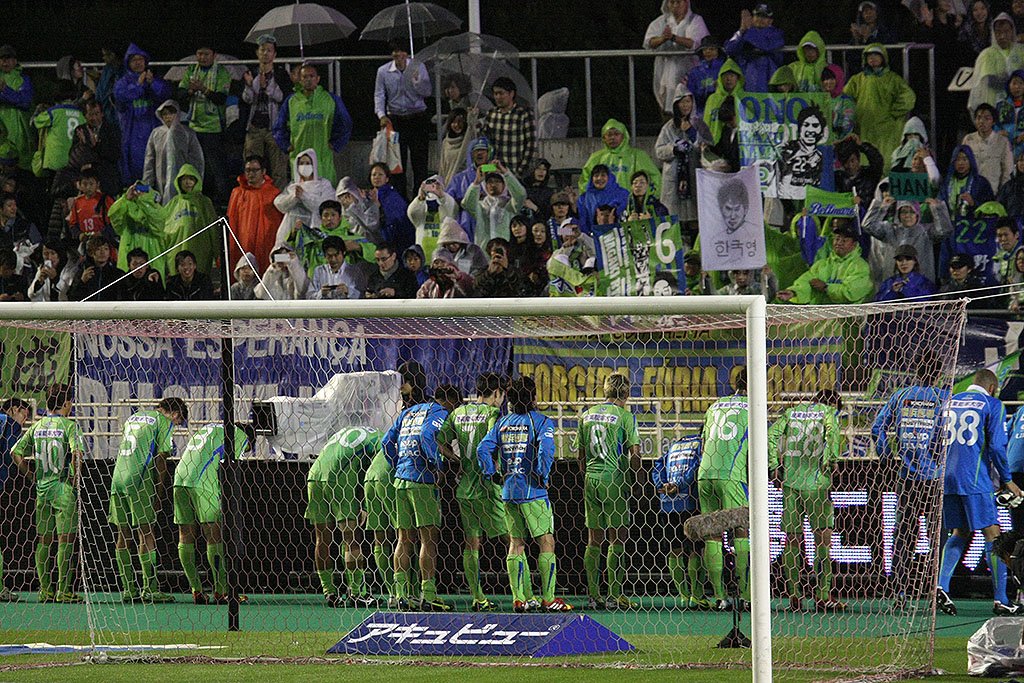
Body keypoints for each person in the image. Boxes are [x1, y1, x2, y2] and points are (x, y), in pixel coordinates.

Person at [477, 376, 573, 612]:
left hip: (509, 491)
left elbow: (482, 449)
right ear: (533, 398)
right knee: (546, 542)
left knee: (516, 543)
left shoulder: (502, 422)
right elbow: (546, 450)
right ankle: (548, 599)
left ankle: (519, 599)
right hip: (533, 491)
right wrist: (543, 475)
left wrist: (492, 473)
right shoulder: (540, 422)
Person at [935, 369, 1024, 616]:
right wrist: (1007, 480)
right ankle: (1001, 599)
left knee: (960, 532)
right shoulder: (992, 404)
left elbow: (935, 439)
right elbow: (996, 446)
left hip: (947, 478)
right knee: (994, 535)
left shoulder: (949, 402)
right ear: (992, 388)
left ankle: (941, 586)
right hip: (974, 479)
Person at [871, 353, 950, 605]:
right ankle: (936, 588)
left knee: (904, 534)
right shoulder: (943, 397)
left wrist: (886, 456)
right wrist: (940, 459)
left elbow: (877, 428)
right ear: (939, 374)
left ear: (916, 371)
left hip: (906, 477)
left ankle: (900, 590)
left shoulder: (900, 396)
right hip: (934, 478)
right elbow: (947, 433)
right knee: (938, 535)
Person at [382, 383, 462, 612]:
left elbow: (386, 442)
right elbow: (427, 435)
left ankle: (401, 595)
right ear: (449, 401)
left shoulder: (408, 412)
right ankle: (428, 595)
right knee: (428, 540)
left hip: (400, 480)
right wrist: (437, 466)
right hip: (422, 481)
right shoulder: (439, 411)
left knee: (403, 539)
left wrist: (398, 465)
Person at [437, 373, 512, 612]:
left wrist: (456, 460)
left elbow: (438, 440)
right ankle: (521, 596)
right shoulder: (493, 414)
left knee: (471, 544)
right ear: (497, 393)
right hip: (487, 487)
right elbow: (489, 444)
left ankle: (478, 598)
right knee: (513, 541)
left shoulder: (458, 413)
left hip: (464, 489)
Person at [769, 390, 846, 612]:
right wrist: (832, 460)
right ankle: (822, 596)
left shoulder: (791, 412)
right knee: (823, 539)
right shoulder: (828, 413)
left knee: (791, 540)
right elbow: (832, 436)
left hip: (790, 483)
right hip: (816, 484)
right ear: (834, 405)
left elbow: (771, 435)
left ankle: (794, 596)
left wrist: (774, 465)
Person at [10, 383, 85, 603]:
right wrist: (74, 479)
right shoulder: (70, 426)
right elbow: (77, 454)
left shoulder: (37, 426)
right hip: (62, 489)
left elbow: (15, 452)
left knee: (44, 540)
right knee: (66, 540)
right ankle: (64, 591)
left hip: (42, 489)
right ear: (66, 403)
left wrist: (32, 476)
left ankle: (45, 590)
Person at [109, 398, 188, 603]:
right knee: (146, 533)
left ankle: (128, 589)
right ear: (174, 413)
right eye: (177, 422)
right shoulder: (163, 422)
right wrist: (159, 491)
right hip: (139, 478)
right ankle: (150, 588)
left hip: (118, 478)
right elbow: (161, 459)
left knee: (123, 535)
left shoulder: (133, 417)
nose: (175, 426)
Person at [578, 373, 641, 611]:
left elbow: (580, 456)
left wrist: (587, 477)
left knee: (594, 539)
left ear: (604, 391)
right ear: (627, 393)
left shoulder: (586, 415)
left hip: (591, 478)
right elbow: (635, 454)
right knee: (618, 537)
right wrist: (637, 482)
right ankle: (615, 595)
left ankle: (594, 595)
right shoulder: (625, 416)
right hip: (613, 479)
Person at [174, 422, 255, 605]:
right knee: (214, 535)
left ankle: (197, 590)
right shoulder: (239, 435)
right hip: (202, 481)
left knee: (185, 535)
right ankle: (222, 592)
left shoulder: (211, 428)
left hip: (179, 477)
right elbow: (231, 470)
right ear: (250, 440)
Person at [306, 426, 383, 608]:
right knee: (351, 536)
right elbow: (375, 472)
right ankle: (357, 594)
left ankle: (329, 593)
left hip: (315, 475)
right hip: (340, 477)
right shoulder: (383, 442)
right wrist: (366, 506)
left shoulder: (359, 432)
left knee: (322, 538)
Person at [696, 369, 750, 610]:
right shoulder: (754, 407)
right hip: (731, 475)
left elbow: (703, 442)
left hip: (705, 473)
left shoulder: (715, 405)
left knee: (713, 534)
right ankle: (746, 595)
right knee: (741, 530)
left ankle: (719, 597)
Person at [652, 432, 707, 609]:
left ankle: (683, 596)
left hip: (668, 504)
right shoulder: (701, 444)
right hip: (690, 502)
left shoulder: (674, 445)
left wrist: (662, 484)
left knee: (674, 550)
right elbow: (698, 466)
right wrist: (680, 485)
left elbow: (658, 465)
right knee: (695, 550)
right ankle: (697, 597)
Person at [273, 63, 352, 185]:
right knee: (301, 190)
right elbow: (278, 127)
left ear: (318, 79)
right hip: (299, 157)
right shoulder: (291, 101)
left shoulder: (330, 99)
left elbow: (345, 123)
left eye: (311, 76)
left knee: (325, 190)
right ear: (300, 80)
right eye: (304, 77)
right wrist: (286, 145)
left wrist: (336, 144)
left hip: (323, 158)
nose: (308, 80)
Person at [843, 44, 917, 172]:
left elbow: (908, 97)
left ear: (883, 58)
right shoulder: (857, 80)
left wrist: (893, 113)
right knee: (865, 161)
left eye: (876, 55)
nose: (873, 58)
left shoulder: (893, 79)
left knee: (886, 162)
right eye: (869, 56)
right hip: (864, 127)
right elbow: (844, 99)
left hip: (887, 129)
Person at [175, 45, 231, 204]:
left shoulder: (221, 72)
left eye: (206, 54)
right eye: (199, 54)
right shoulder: (191, 70)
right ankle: (197, 199)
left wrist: (203, 89)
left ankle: (221, 203)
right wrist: (191, 91)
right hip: (193, 127)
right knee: (195, 166)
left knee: (216, 168)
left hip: (214, 128)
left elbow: (221, 98)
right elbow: (180, 94)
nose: (202, 57)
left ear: (214, 55)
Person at [374, 43, 432, 195]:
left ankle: (420, 197)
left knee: (420, 162)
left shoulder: (418, 67)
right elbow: (379, 95)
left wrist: (417, 81)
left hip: (418, 117)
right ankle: (400, 198)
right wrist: (381, 115)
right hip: (396, 119)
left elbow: (427, 92)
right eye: (395, 53)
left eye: (402, 53)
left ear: (407, 54)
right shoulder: (383, 71)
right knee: (397, 163)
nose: (399, 56)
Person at [113, 43, 172, 186]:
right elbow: (121, 96)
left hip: (154, 130)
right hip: (132, 133)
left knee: (156, 166)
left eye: (141, 59)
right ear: (128, 63)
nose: (138, 62)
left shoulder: (154, 79)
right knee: (135, 167)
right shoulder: (122, 83)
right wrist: (139, 86)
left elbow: (166, 95)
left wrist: (152, 83)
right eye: (134, 60)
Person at [861, 196, 953, 283]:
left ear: (917, 215)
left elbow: (945, 230)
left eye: (912, 212)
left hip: (921, 286)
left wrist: (937, 209)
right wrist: (881, 207)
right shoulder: (889, 231)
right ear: (898, 214)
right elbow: (868, 226)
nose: (907, 215)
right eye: (903, 212)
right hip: (893, 285)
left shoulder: (926, 232)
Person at [656, 85, 710, 230]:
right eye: (682, 102)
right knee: (674, 219)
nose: (686, 105)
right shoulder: (668, 127)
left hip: (694, 175)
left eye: (688, 101)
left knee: (696, 217)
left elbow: (709, 146)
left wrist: (693, 135)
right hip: (674, 179)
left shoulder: (699, 124)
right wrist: (673, 149)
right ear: (676, 104)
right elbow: (659, 151)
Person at [242, 35, 292, 190]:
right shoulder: (251, 73)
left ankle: (278, 199)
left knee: (278, 169)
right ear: (257, 53)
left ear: (274, 54)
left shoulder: (281, 74)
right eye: (262, 50)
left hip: (275, 129)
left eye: (269, 50)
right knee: (252, 167)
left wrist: (267, 87)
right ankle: (253, 197)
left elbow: (282, 97)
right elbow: (247, 99)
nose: (265, 53)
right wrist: (250, 85)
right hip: (254, 128)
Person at [778, 224, 874, 304]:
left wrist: (826, 287)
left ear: (854, 245)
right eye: (837, 239)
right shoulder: (821, 264)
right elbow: (806, 281)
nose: (839, 243)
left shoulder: (860, 266)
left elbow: (852, 292)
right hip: (819, 318)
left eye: (844, 240)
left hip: (846, 319)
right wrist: (793, 292)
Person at [642, 0, 709, 114]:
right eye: (672, 2)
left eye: (678, 2)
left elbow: (696, 43)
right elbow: (649, 42)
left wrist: (674, 38)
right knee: (665, 107)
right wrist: (663, 38)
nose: (675, 5)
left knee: (690, 108)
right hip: (665, 71)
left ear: (686, 3)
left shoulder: (695, 20)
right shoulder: (661, 21)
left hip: (689, 71)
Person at [227, 155, 282, 275]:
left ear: (263, 171)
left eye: (254, 170)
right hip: (243, 243)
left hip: (265, 244)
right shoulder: (237, 193)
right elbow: (232, 220)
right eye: (248, 170)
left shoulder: (273, 194)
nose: (251, 174)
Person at [142, 100, 204, 205]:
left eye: (171, 113)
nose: (168, 117)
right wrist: (147, 184)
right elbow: (149, 160)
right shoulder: (156, 133)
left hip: (182, 182)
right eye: (165, 114)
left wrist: (194, 182)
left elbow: (197, 160)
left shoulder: (187, 133)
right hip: (160, 181)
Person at [273, 148, 336, 252]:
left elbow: (325, 207)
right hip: (290, 231)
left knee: (309, 256)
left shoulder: (323, 184)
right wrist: (293, 197)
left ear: (314, 164)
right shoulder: (293, 186)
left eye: (308, 163)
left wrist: (304, 196)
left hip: (314, 231)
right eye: (301, 163)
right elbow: (279, 204)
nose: (304, 166)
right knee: (285, 256)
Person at [579, 120, 661, 197]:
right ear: (604, 137)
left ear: (623, 136)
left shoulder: (638, 156)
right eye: (609, 134)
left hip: (632, 204)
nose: (612, 137)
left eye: (616, 134)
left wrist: (648, 198)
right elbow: (585, 182)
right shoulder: (596, 157)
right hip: (603, 206)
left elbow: (655, 178)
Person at [162, 164, 218, 277]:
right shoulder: (173, 203)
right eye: (184, 179)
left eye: (191, 179)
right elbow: (163, 227)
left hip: (200, 251)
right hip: (176, 251)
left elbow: (213, 228)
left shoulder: (204, 202)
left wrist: (217, 252)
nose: (187, 182)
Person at [0, 397, 29, 601]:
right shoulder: (9, 423)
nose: (23, 422)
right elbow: (13, 453)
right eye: (24, 416)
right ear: (14, 409)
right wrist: (28, 473)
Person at [461, 161, 527, 250]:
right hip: (484, 252)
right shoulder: (481, 206)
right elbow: (467, 204)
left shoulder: (511, 205)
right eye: (489, 182)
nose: (493, 185)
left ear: (504, 184)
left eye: (497, 181)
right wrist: (477, 182)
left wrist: (505, 173)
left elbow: (521, 195)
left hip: (505, 251)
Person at [479, 77, 537, 179]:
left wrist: (520, 171)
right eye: (495, 94)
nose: (498, 97)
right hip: (494, 171)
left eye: (501, 93)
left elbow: (531, 145)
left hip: (515, 171)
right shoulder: (491, 113)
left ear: (511, 94)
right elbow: (483, 139)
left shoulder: (524, 113)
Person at [968, 13, 1024, 114]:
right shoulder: (987, 54)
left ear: (1012, 31)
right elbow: (990, 81)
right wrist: (1014, 82)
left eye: (1006, 31)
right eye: (998, 32)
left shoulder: (1021, 51)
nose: (1002, 36)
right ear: (993, 33)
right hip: (995, 105)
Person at [723, 4, 784, 93]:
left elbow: (766, 46)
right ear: (752, 18)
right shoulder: (744, 31)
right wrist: (742, 30)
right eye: (757, 16)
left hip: (768, 80)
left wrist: (749, 30)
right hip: (744, 78)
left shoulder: (776, 33)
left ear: (770, 21)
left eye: (764, 17)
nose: (760, 19)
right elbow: (729, 49)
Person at [963, 104, 1014, 192]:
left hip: (993, 192)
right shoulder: (968, 139)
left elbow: (1007, 171)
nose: (982, 121)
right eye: (978, 118)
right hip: (970, 192)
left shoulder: (1002, 141)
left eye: (987, 118)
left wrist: (1002, 193)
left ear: (993, 122)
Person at [65, 168, 116, 253]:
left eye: (91, 184)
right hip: (87, 244)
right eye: (85, 184)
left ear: (97, 184)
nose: (88, 187)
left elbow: (115, 222)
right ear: (79, 185)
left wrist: (102, 233)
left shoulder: (106, 200)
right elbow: (72, 224)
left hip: (105, 243)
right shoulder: (77, 202)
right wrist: (79, 235)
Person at [0, 45, 34, 172]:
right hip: (3, 135)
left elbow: (25, 101)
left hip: (22, 136)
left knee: (23, 172)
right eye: (2, 58)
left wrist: (5, 91)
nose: (5, 61)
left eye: (8, 58)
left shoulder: (23, 79)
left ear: (15, 61)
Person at [306, 234, 366, 300]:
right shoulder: (319, 271)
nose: (333, 259)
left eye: (336, 255)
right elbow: (309, 296)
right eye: (329, 256)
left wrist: (348, 291)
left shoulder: (355, 271)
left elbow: (363, 296)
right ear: (324, 255)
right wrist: (321, 293)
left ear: (343, 253)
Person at [703, 59, 746, 146]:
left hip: (738, 144)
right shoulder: (712, 99)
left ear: (738, 78)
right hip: (714, 144)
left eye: (732, 76)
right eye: (725, 76)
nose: (728, 79)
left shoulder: (744, 98)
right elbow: (706, 121)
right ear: (720, 78)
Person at [68, 236, 125, 302]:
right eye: (98, 249)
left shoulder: (117, 274)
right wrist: (82, 282)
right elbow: (72, 297)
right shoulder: (83, 272)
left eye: (106, 249)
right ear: (91, 253)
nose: (102, 252)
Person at [577, 166, 629, 237]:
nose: (599, 178)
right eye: (596, 176)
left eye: (603, 175)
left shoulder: (623, 194)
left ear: (609, 177)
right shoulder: (584, 198)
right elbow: (582, 222)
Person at [688, 36, 725, 119]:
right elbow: (691, 94)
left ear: (718, 51)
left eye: (711, 49)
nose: (708, 51)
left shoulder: (725, 69)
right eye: (704, 49)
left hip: (722, 112)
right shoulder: (695, 72)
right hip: (700, 113)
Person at [437, 108, 471, 187]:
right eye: (453, 122)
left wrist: (492, 167)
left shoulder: (470, 141)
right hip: (449, 186)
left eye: (460, 121)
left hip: (467, 185)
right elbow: (442, 167)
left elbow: (481, 166)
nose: (456, 125)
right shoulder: (446, 142)